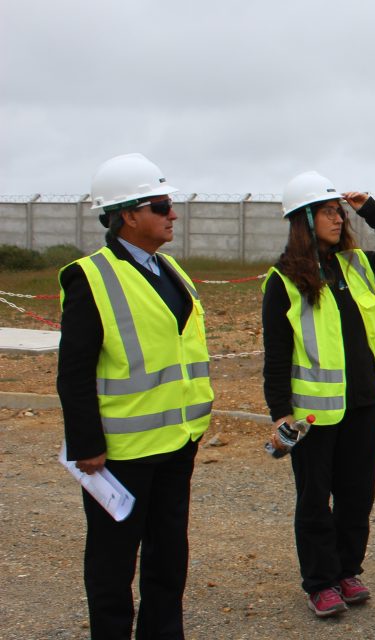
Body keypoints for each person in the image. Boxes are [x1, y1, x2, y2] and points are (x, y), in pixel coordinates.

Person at [57, 153, 215, 639]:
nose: (173, 213)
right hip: (121, 454)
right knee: (112, 564)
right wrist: (86, 445)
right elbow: (74, 371)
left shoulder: (172, 273)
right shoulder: (90, 276)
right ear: (127, 214)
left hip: (176, 442)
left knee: (169, 559)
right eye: (161, 205)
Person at [261, 171, 375, 618]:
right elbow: (276, 357)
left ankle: (347, 569)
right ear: (304, 220)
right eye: (329, 211)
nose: (338, 217)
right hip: (312, 415)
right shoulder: (284, 280)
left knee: (357, 496)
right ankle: (319, 582)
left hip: (362, 404)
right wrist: (280, 415)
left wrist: (370, 207)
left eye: (339, 210)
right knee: (314, 500)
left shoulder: (355, 266)